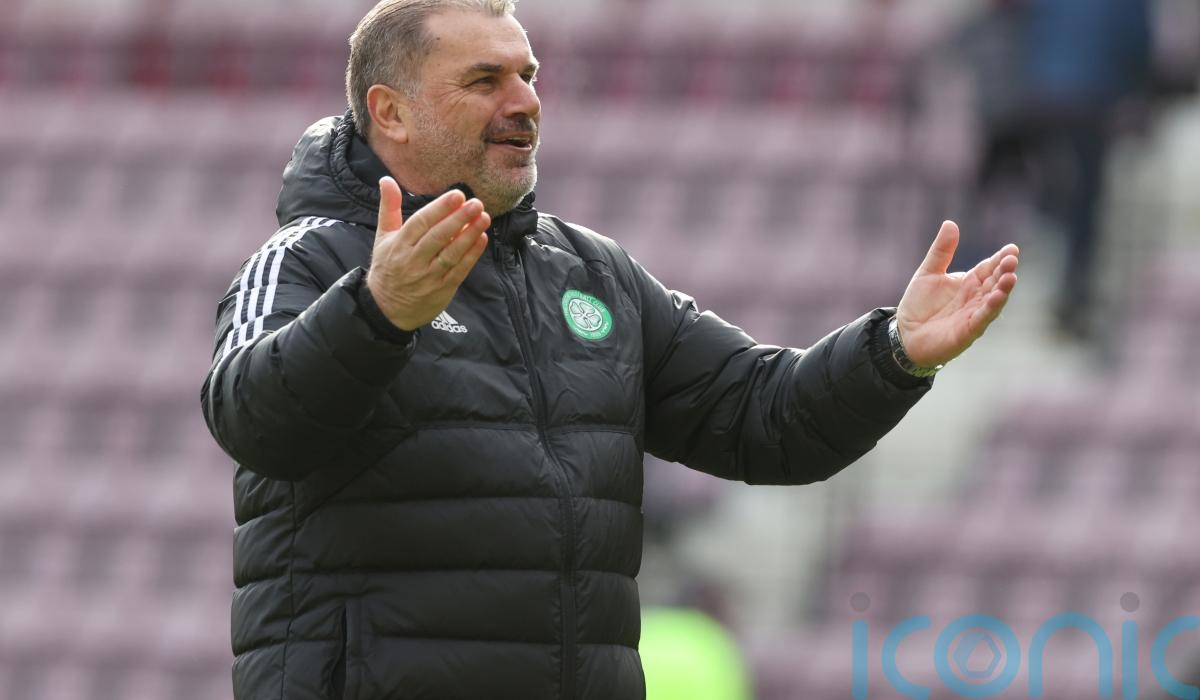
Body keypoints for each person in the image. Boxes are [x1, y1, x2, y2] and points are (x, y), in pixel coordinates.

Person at [200, 1, 1021, 697]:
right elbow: (252, 418)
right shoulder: (309, 259)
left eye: (528, 75)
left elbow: (763, 419)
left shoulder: (590, 272)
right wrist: (378, 314)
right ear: (391, 112)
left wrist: (893, 352)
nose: (525, 101)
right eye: (484, 81)